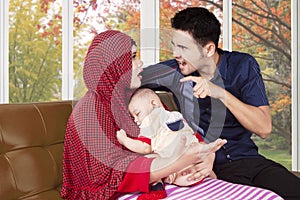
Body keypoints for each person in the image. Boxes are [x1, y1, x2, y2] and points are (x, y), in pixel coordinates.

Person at [140, 7, 300, 200]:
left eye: (183, 48)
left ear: (208, 49)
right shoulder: (173, 71)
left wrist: (220, 93)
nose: (175, 53)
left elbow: (264, 127)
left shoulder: (243, 65)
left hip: (249, 161)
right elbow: (125, 80)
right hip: (205, 169)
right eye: (175, 46)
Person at [61, 30, 223, 200]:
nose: (141, 63)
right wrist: (178, 161)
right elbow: (108, 176)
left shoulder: (137, 98)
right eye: (132, 57)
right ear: (112, 64)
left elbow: (175, 129)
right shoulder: (89, 111)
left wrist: (206, 155)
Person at [116, 88, 226, 188]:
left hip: (177, 159)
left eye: (137, 114)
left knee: (151, 157)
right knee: (204, 160)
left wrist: (124, 140)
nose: (136, 120)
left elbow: (144, 147)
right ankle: (213, 177)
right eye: (133, 117)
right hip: (193, 153)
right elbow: (193, 135)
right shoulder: (175, 115)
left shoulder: (149, 122)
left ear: (153, 104)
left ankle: (171, 176)